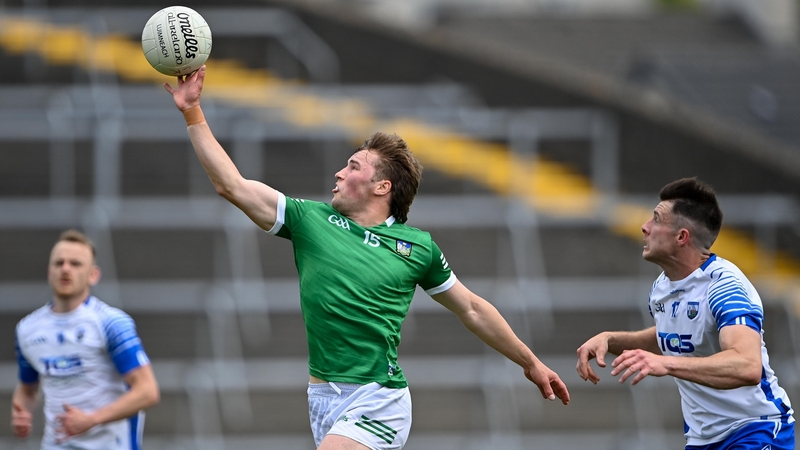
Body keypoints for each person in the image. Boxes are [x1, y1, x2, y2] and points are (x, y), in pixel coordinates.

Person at [164, 65, 570, 450]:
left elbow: (473, 308)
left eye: (353, 166)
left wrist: (530, 362)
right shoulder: (311, 219)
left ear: (382, 187)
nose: (339, 173)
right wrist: (192, 111)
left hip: (379, 399)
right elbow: (231, 185)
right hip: (322, 397)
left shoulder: (417, 247)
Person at [576, 177, 795, 449]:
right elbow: (675, 336)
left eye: (656, 219)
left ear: (682, 237)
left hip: (754, 430)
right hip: (701, 440)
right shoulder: (662, 288)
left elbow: (747, 366)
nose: (645, 227)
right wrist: (610, 339)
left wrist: (666, 364)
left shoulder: (725, 287)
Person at [11, 229, 160, 449]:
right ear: (48, 270)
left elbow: (147, 392)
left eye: (75, 263)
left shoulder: (110, 323)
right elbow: (27, 389)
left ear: (93, 275)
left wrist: (92, 419)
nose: (65, 269)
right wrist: (21, 413)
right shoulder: (28, 329)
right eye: (59, 263)